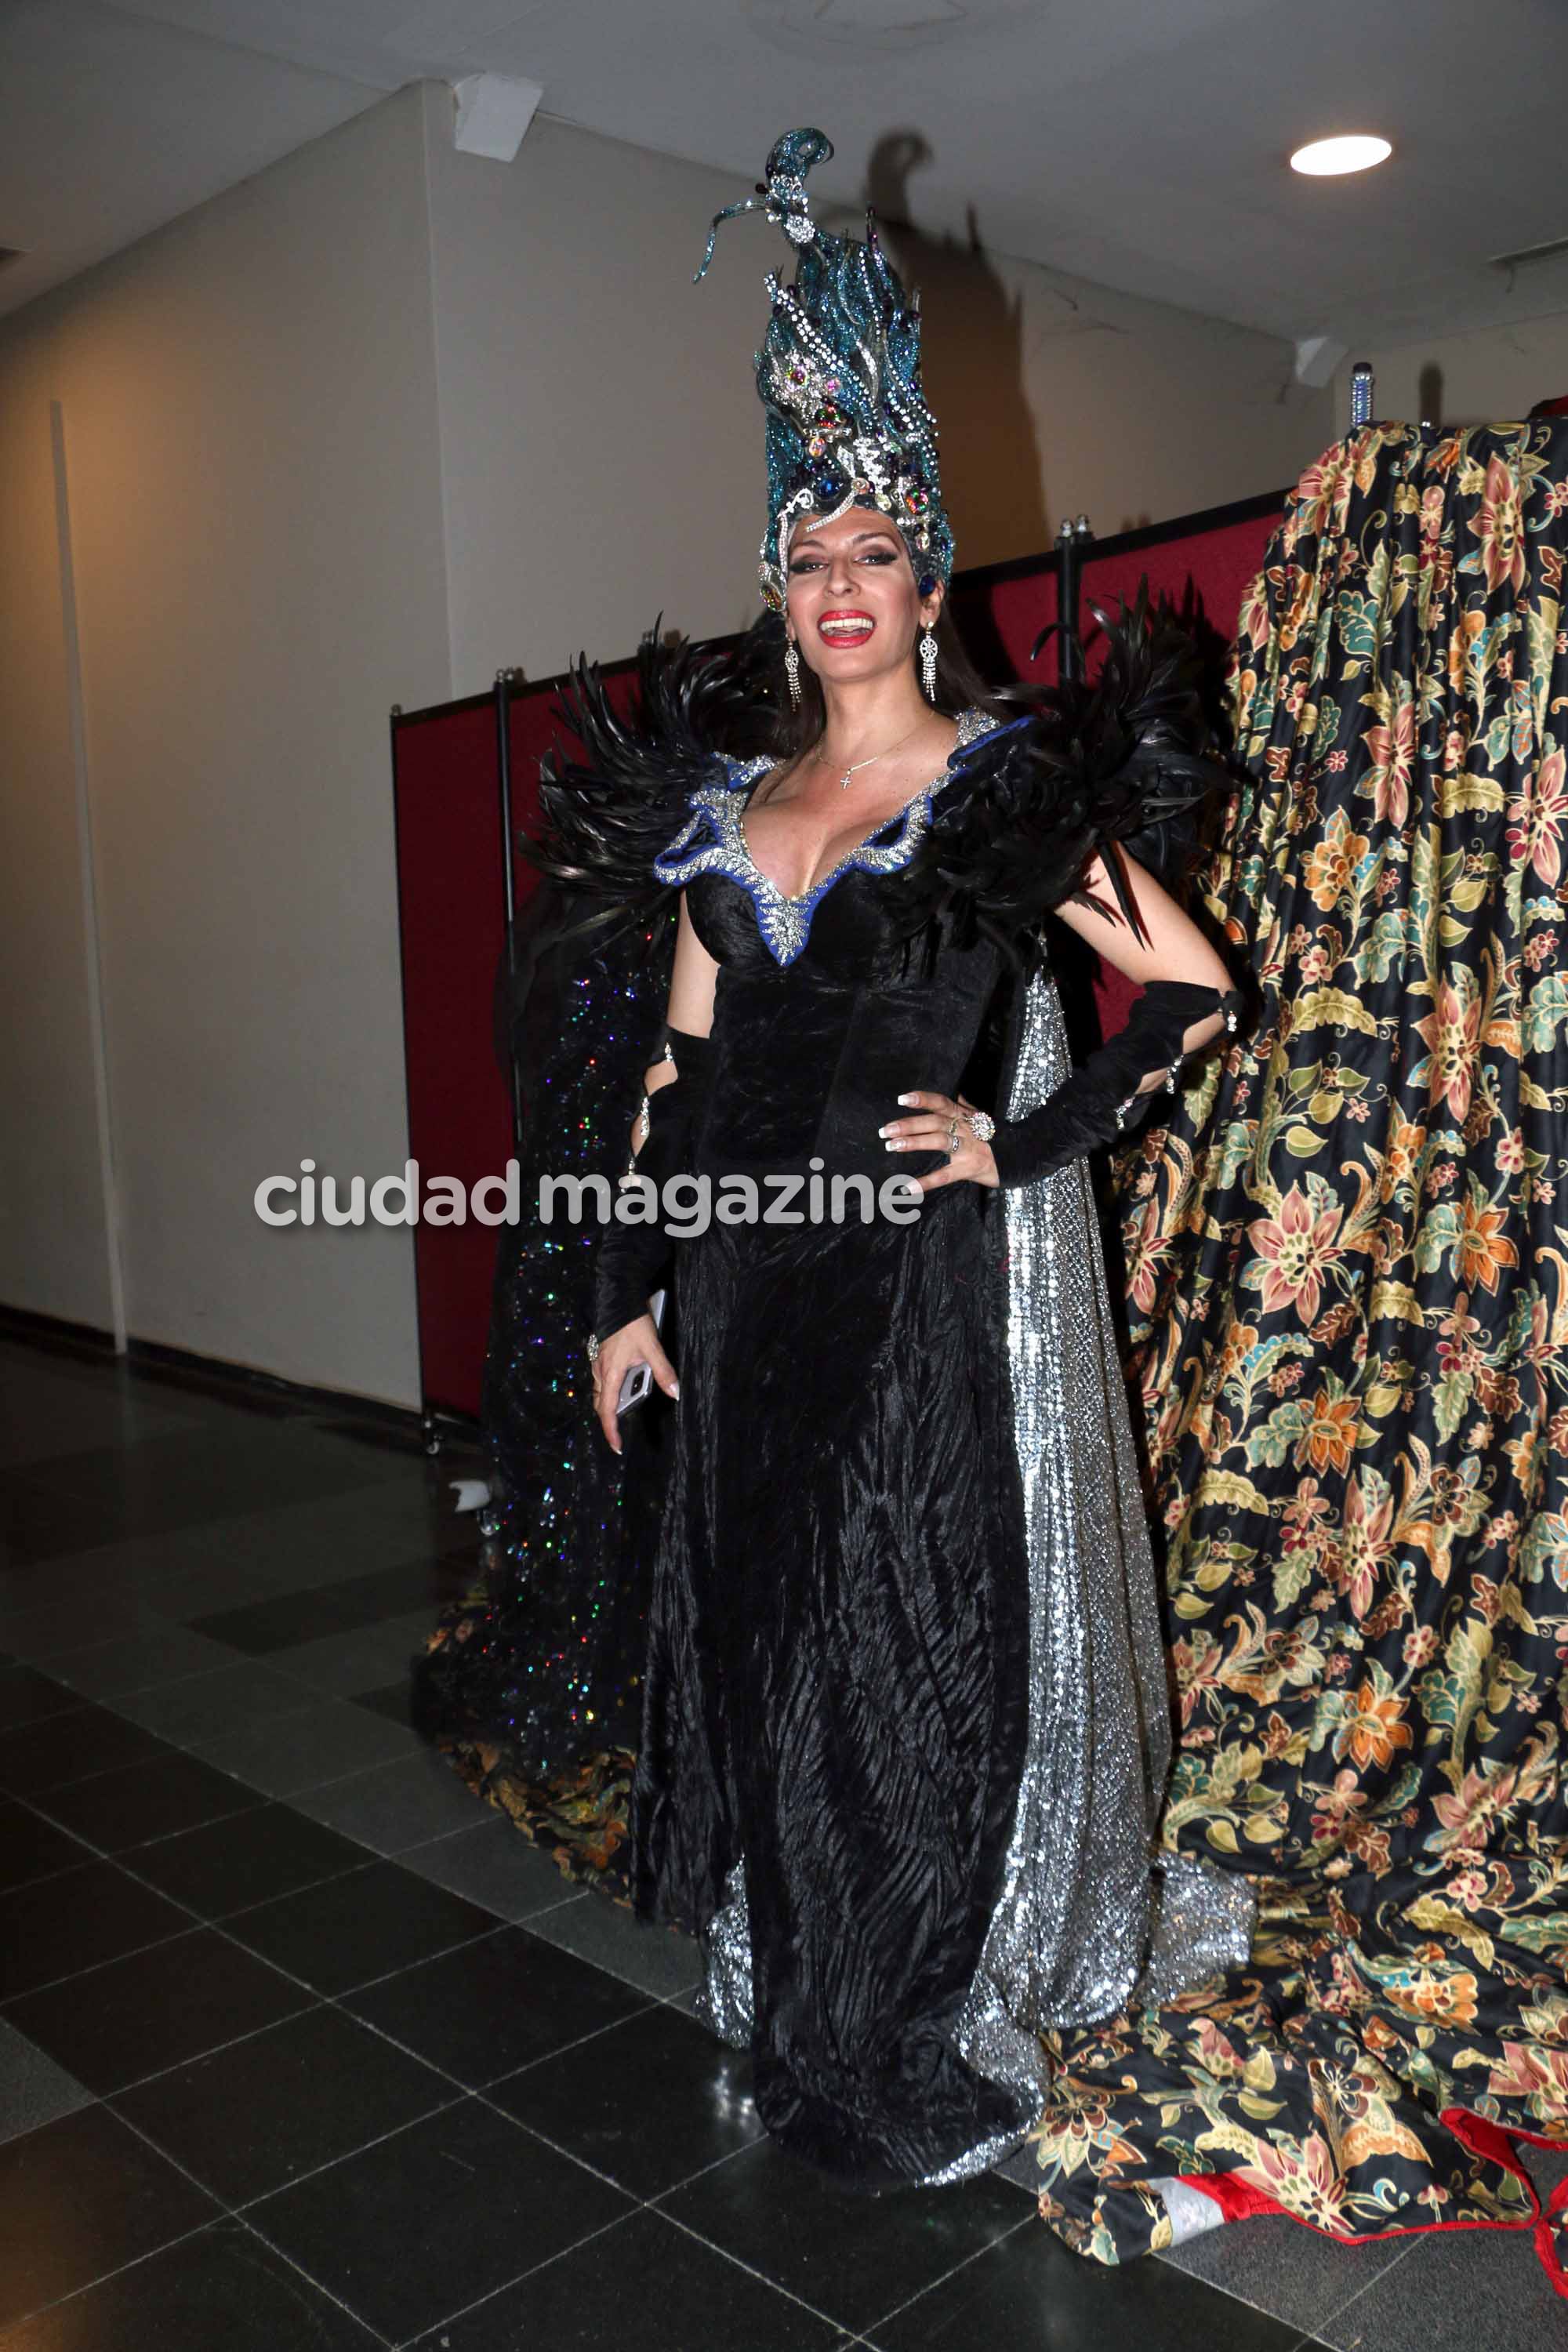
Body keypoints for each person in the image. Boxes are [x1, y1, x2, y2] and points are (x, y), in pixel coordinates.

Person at [531, 127, 1254, 2191]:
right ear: (781, 588)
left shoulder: (1004, 787)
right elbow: (673, 1085)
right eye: (809, 557)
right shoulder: (727, 813)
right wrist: (627, 1299)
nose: (841, 591)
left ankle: (909, 2006)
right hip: (747, 1298)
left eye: (876, 555)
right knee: (772, 1641)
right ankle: (809, 1983)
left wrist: (1021, 1140)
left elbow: (1194, 993)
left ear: (932, 581)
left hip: (920, 1303)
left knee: (910, 1654)